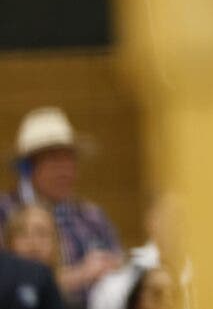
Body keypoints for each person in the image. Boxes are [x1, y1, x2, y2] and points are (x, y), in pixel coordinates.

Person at [0, 107, 122, 308]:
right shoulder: (5, 212)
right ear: (28, 167)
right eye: (54, 160)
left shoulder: (92, 216)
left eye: (70, 159)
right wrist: (77, 276)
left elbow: (119, 271)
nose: (65, 170)